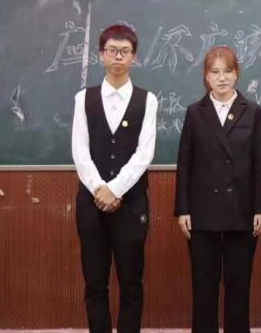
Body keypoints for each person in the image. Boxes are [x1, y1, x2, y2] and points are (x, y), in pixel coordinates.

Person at [174, 45, 261, 333]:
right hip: (203, 212)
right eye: (215, 72)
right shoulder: (195, 112)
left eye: (228, 71)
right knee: (204, 287)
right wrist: (182, 210)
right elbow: (185, 163)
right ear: (206, 76)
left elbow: (258, 162)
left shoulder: (252, 111)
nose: (222, 77)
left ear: (237, 74)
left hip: (242, 211)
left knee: (239, 287)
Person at [71, 24, 158, 333]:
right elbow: (80, 150)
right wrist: (100, 189)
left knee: (131, 283)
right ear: (101, 55)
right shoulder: (84, 98)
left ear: (134, 57)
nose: (118, 57)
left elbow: (144, 153)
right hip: (91, 204)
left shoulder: (147, 100)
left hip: (131, 205)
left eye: (124, 51)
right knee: (95, 283)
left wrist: (116, 189)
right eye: (112, 51)